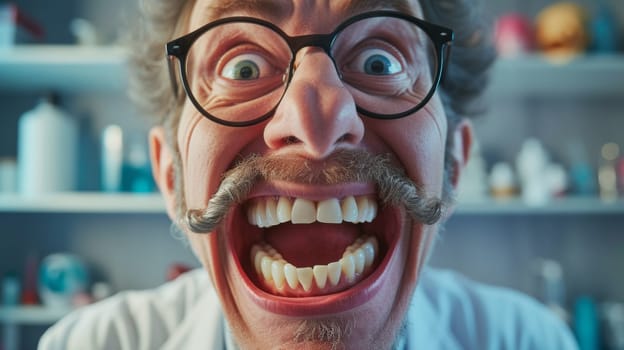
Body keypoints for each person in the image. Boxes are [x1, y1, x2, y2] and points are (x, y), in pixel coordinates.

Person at [39, 0, 579, 349]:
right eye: (242, 67)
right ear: (171, 177)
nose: (315, 124)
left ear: (454, 164)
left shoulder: (529, 341)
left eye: (380, 63)